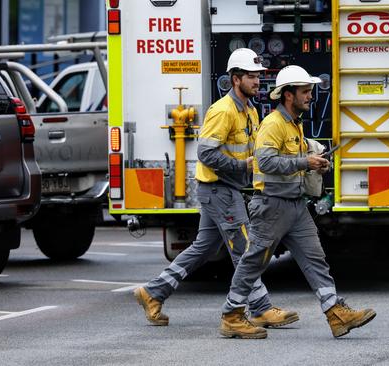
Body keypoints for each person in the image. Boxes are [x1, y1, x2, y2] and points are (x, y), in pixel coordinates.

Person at [134, 48, 298, 329]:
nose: (257, 81)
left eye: (259, 76)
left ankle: (153, 291)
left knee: (202, 248)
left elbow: (257, 148)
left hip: (225, 189)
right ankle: (261, 308)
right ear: (235, 79)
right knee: (246, 250)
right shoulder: (223, 111)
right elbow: (205, 154)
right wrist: (242, 167)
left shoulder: (249, 110)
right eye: (251, 76)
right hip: (219, 189)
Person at [219, 65, 376, 339]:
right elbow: (265, 161)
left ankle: (336, 313)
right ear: (288, 95)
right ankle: (232, 315)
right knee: (253, 261)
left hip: (294, 206)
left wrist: (316, 164)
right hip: (271, 206)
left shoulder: (294, 124)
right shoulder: (273, 124)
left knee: (315, 259)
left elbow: (292, 163)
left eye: (311, 92)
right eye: (305, 92)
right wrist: (306, 161)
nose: (310, 97)